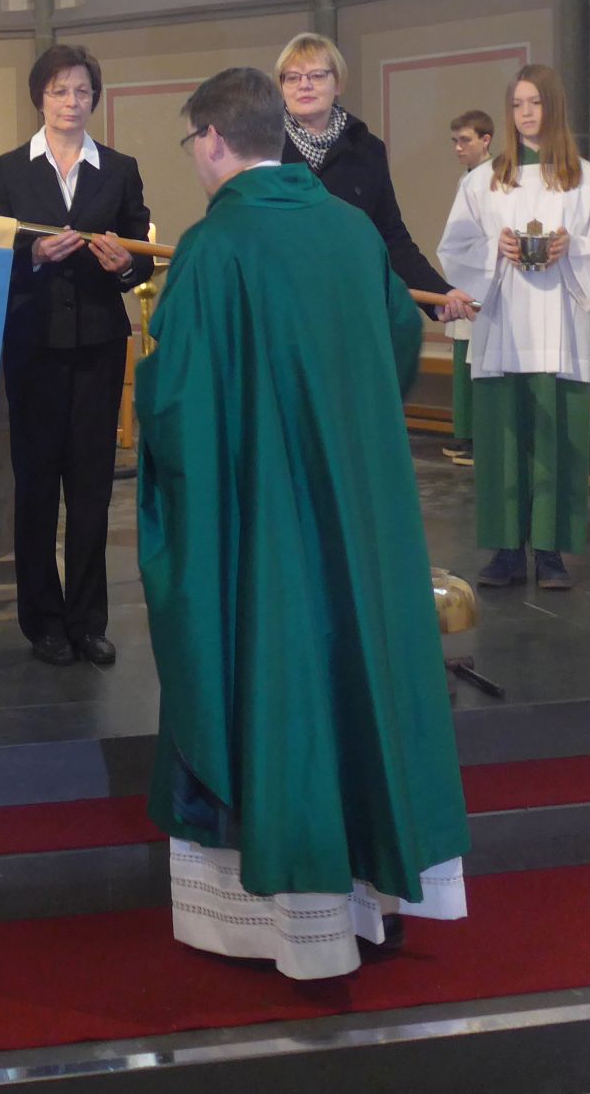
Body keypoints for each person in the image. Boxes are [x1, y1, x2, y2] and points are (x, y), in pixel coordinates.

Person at [137, 66, 469, 981]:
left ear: (212, 138)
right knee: (358, 673)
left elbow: (177, 401)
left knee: (274, 674)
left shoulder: (215, 247)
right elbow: (397, 346)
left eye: (192, 143)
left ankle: (281, 922)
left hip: (264, 519)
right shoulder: (352, 231)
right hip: (355, 509)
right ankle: (372, 901)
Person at [0, 45, 153, 667]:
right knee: (35, 487)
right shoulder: (7, 171)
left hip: (98, 346)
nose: (71, 102)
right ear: (40, 98)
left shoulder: (120, 169)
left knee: (91, 488)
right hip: (32, 345)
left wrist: (126, 265)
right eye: (59, 91)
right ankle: (43, 624)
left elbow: (142, 255)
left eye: (81, 91)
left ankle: (87, 622)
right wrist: (31, 256)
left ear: (94, 99)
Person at [439, 65, 590, 591]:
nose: (526, 113)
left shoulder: (588, 180)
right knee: (501, 441)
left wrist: (575, 247)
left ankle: (550, 551)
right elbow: (454, 247)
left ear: (554, 107)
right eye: (518, 104)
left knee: (557, 441)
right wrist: (494, 249)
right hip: (502, 326)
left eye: (536, 102)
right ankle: (505, 551)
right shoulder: (484, 180)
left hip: (561, 331)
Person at [276, 34, 477, 326]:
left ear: (338, 83)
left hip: (351, 311)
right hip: (283, 310)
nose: (304, 85)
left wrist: (439, 294)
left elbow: (390, 236)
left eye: (317, 75)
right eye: (292, 77)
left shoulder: (367, 149)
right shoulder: (263, 148)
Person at [442, 109, 495, 466]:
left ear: (485, 140)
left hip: (483, 279)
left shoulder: (494, 179)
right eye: (455, 141)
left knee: (481, 360)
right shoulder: (468, 178)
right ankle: (464, 433)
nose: (458, 148)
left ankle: (481, 437)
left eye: (465, 140)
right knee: (463, 356)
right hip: (463, 276)